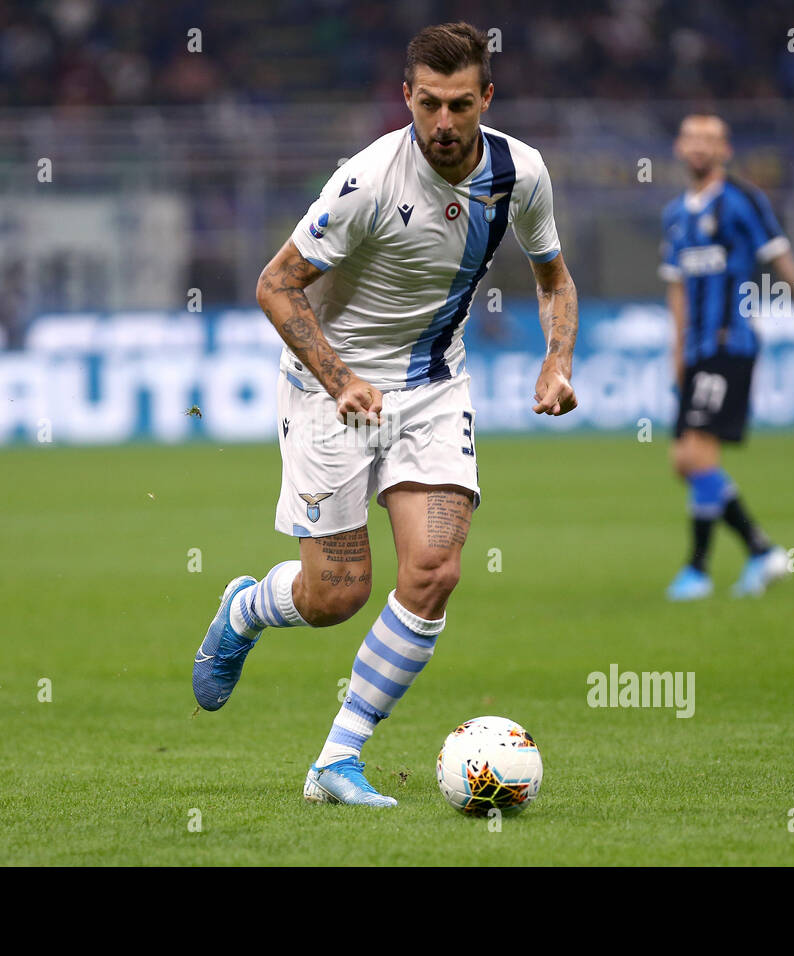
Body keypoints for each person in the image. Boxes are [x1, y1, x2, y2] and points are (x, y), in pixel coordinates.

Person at [192, 22, 579, 806]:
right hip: (329, 390)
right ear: (407, 96)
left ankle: (336, 759)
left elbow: (553, 277)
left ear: (486, 100)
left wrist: (557, 360)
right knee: (336, 594)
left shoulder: (521, 173)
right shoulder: (368, 180)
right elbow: (276, 284)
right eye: (428, 103)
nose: (443, 123)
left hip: (434, 386)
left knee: (434, 570)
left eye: (460, 106)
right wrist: (338, 381)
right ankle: (245, 608)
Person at [659, 114, 794, 601]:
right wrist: (677, 351)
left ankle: (698, 570)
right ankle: (762, 551)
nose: (699, 147)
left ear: (725, 150)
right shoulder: (675, 216)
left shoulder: (743, 202)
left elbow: (784, 265)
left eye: (710, 140)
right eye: (691, 139)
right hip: (697, 351)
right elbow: (677, 290)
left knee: (697, 454)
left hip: (731, 344)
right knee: (684, 461)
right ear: (680, 148)